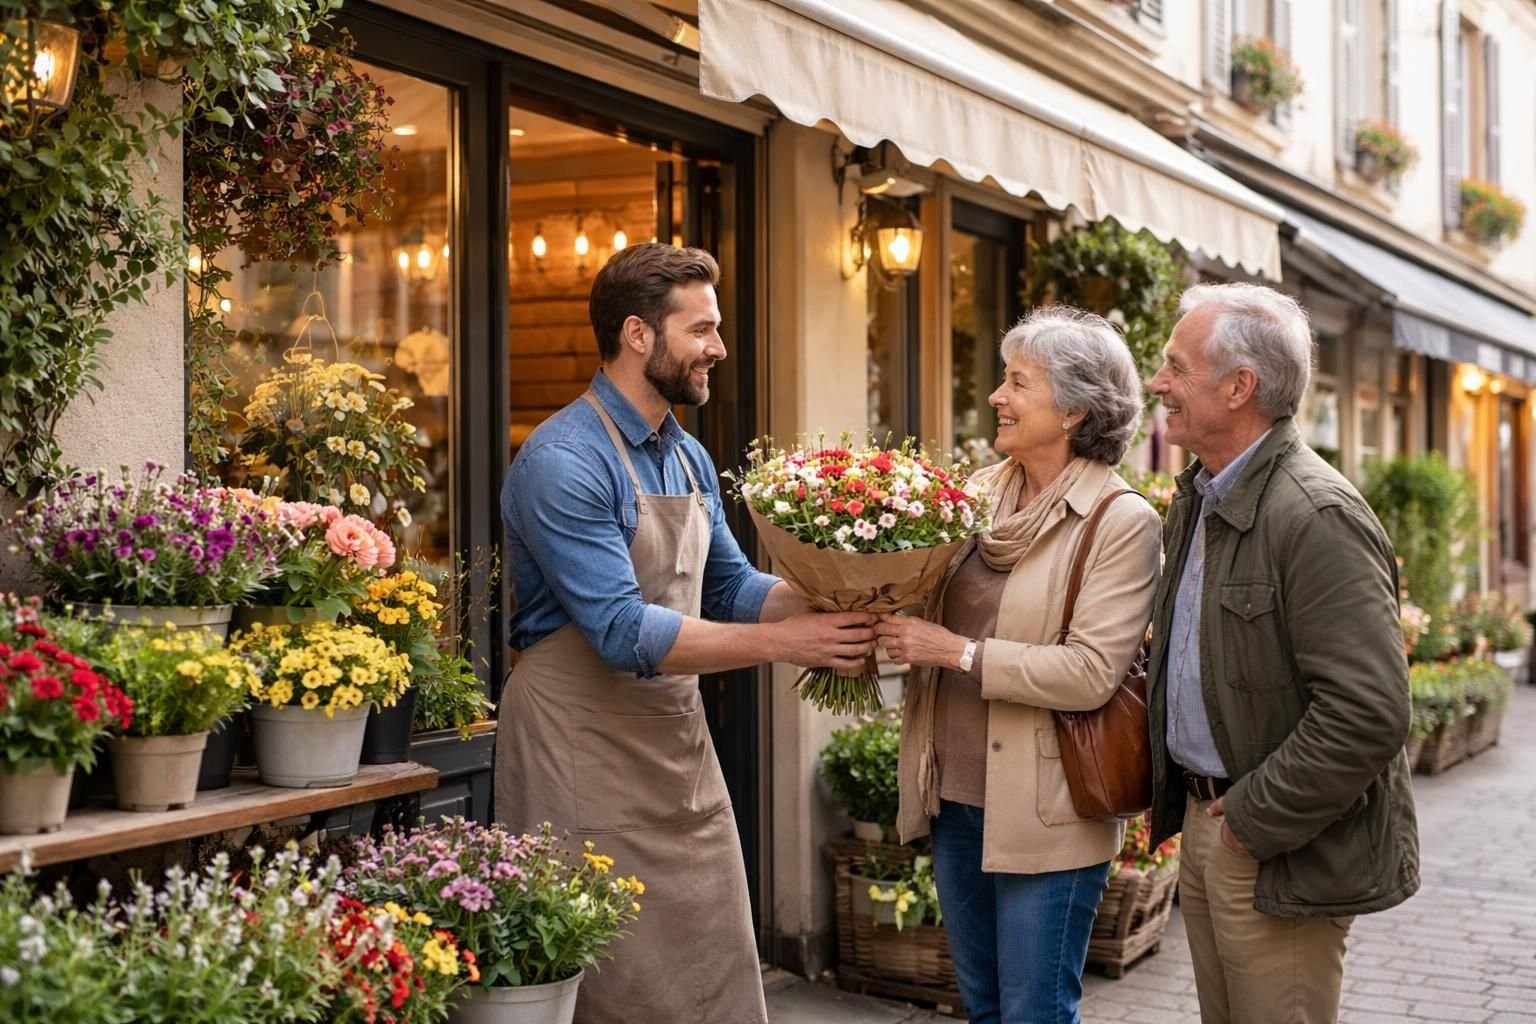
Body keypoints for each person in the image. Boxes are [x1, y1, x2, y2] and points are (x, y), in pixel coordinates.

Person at [496, 243, 877, 1024]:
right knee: (607, 975)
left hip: (674, 738)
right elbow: (622, 632)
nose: (719, 349)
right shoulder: (564, 460)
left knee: (710, 957)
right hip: (578, 744)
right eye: (701, 330)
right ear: (638, 335)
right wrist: (792, 645)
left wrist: (830, 599)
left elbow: (732, 588)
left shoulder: (688, 455)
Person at [875, 307, 1162, 1024]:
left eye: (1017, 383)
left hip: (1048, 811)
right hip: (957, 799)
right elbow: (929, 603)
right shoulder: (977, 496)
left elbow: (1092, 672)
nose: (998, 397)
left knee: (1033, 1011)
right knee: (982, 1008)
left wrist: (959, 653)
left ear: (1073, 410)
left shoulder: (1120, 521)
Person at [1144, 282, 1420, 1024]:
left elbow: (1368, 711)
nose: (1157, 383)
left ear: (1240, 388)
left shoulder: (1315, 512)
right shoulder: (1201, 496)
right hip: (1216, 830)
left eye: (1175, 366)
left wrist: (1247, 823)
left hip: (1272, 846)